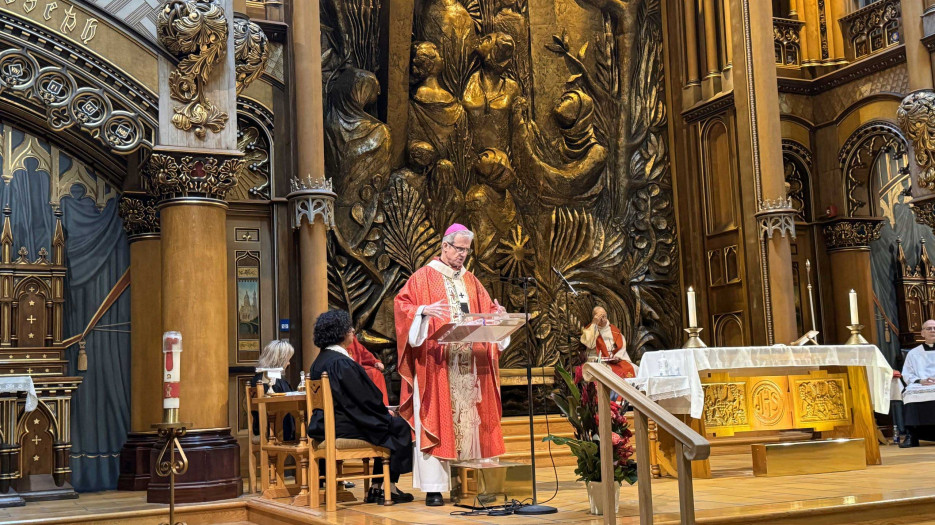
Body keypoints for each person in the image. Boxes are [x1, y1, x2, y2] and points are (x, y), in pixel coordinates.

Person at [394, 223, 508, 506]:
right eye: (459, 249)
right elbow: (401, 307)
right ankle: (435, 487)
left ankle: (482, 481)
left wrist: (499, 316)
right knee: (437, 418)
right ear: (445, 246)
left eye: (467, 250)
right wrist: (421, 312)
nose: (463, 255)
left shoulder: (472, 281)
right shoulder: (422, 278)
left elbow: (488, 312)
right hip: (437, 365)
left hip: (470, 367)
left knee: (474, 421)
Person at [308, 310, 414, 504]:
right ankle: (388, 488)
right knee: (399, 426)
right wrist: (384, 411)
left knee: (389, 423)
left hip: (327, 423)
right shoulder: (340, 362)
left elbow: (354, 397)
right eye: (349, 329)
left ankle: (376, 487)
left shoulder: (320, 361)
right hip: (343, 424)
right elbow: (361, 399)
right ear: (340, 333)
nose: (352, 333)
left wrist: (381, 411)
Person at [251, 340, 296, 442]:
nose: (288, 363)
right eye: (287, 359)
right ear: (280, 360)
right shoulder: (274, 380)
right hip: (275, 429)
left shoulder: (257, 378)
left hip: (259, 426)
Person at [900, 319, 935, 448]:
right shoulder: (913, 353)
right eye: (929, 328)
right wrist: (921, 381)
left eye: (934, 328)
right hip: (921, 384)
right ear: (922, 333)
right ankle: (912, 436)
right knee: (910, 393)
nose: (932, 331)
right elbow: (907, 374)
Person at [580, 306, 637, 379]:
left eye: (604, 316)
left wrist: (617, 357)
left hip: (615, 360)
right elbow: (590, 344)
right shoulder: (589, 330)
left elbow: (621, 345)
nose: (603, 319)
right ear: (595, 318)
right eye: (600, 317)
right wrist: (594, 324)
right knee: (608, 372)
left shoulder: (613, 330)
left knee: (634, 368)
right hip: (599, 361)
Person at [348, 336, 390, 405]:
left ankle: (383, 407)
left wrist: (375, 362)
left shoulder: (351, 337)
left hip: (356, 367)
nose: (353, 330)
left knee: (375, 373)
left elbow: (362, 351)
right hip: (345, 369)